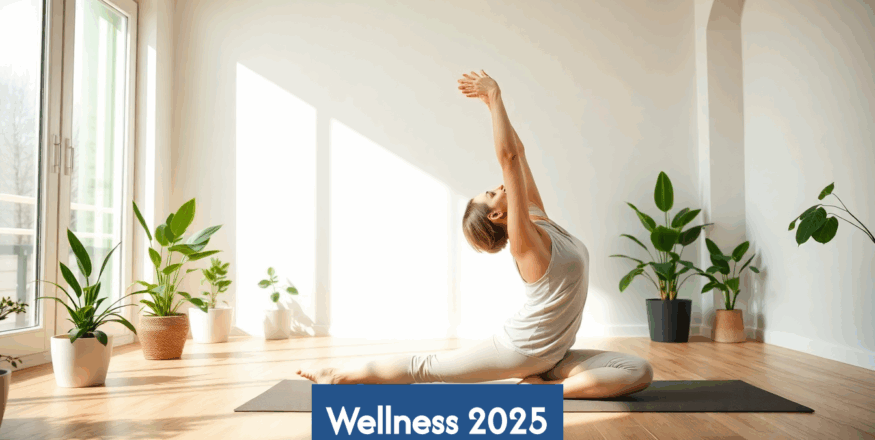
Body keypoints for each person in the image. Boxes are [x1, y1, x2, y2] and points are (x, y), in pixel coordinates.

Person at [296, 71, 653, 399]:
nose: (499, 186)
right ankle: (337, 376)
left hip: (553, 353)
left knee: (638, 370)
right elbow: (508, 159)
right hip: (522, 348)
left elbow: (520, 155)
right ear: (498, 215)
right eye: (491, 193)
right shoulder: (527, 242)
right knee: (427, 368)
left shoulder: (538, 218)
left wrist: (492, 108)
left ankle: (538, 384)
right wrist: (495, 97)